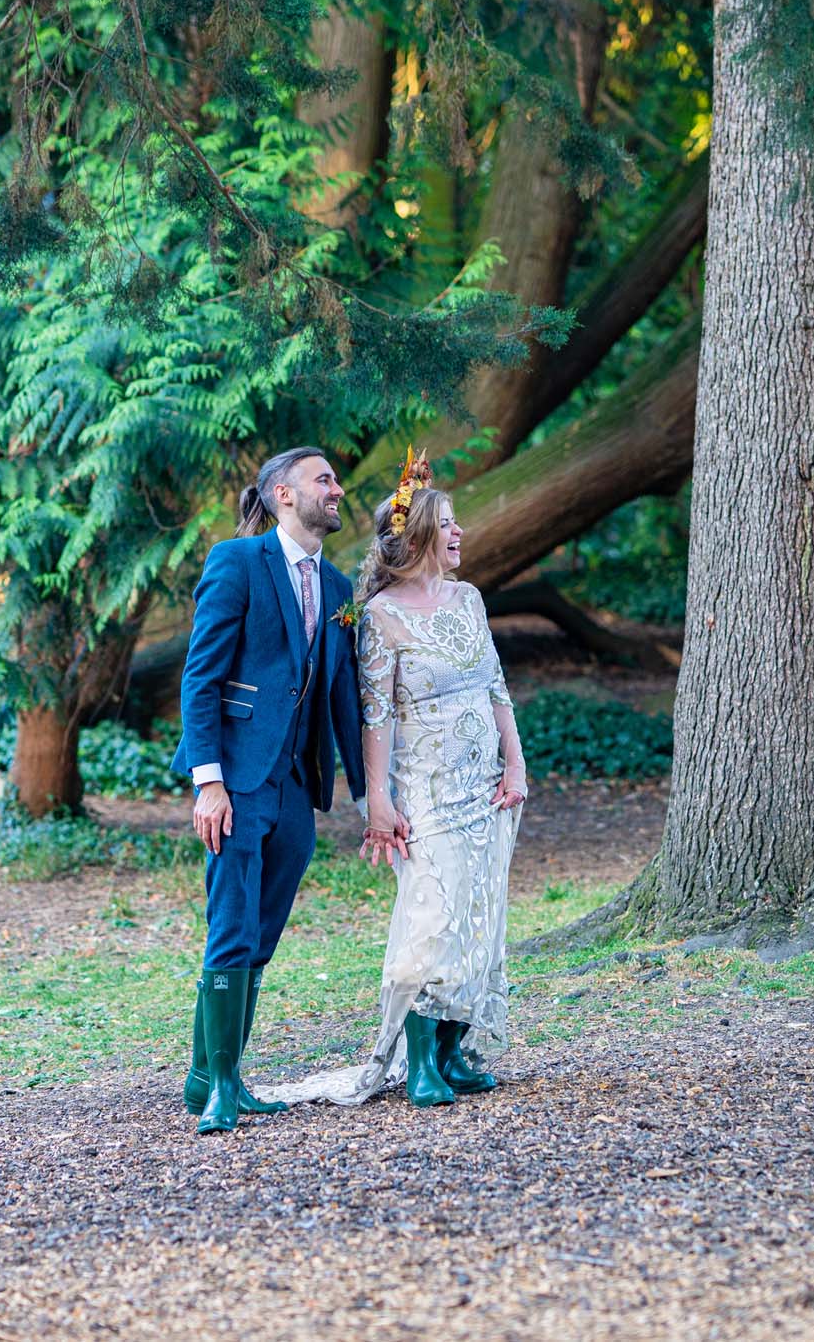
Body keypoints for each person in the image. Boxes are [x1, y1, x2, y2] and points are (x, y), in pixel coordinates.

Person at [258, 451, 528, 1109]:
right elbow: (374, 715)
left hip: (486, 783)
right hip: (426, 788)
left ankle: (452, 1050)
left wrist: (516, 763)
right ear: (420, 534)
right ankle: (419, 1058)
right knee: (433, 917)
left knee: (479, 913)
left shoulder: (469, 599)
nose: (460, 532)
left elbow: (495, 685)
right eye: (448, 523)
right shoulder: (379, 616)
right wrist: (376, 798)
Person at [170, 447, 368, 1134]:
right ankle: (223, 1089)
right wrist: (209, 783)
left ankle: (207, 1075)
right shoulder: (237, 562)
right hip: (235, 780)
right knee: (230, 926)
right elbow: (200, 677)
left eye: (335, 480)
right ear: (284, 493)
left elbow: (342, 697)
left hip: (295, 787)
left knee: (261, 935)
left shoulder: (337, 587)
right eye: (324, 479)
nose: (337, 489)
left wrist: (368, 797)